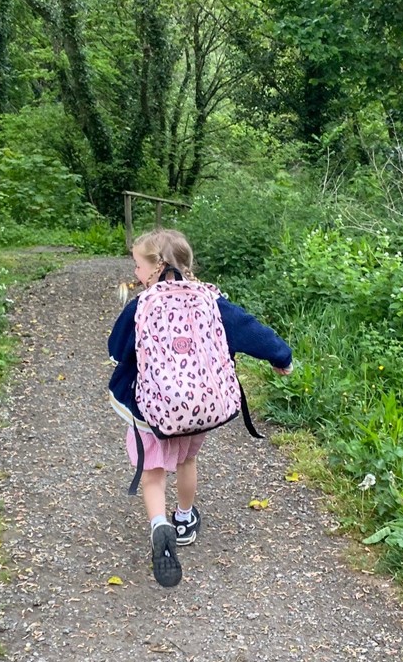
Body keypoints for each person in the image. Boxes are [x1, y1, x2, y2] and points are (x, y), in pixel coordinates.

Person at [108, 229, 293, 588]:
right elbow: (251, 331)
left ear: (157, 267)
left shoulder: (141, 305)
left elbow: (116, 349)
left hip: (151, 412)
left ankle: (159, 526)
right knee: (187, 461)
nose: (135, 274)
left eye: (138, 266)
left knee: (153, 474)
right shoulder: (212, 300)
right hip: (197, 408)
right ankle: (185, 518)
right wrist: (281, 357)